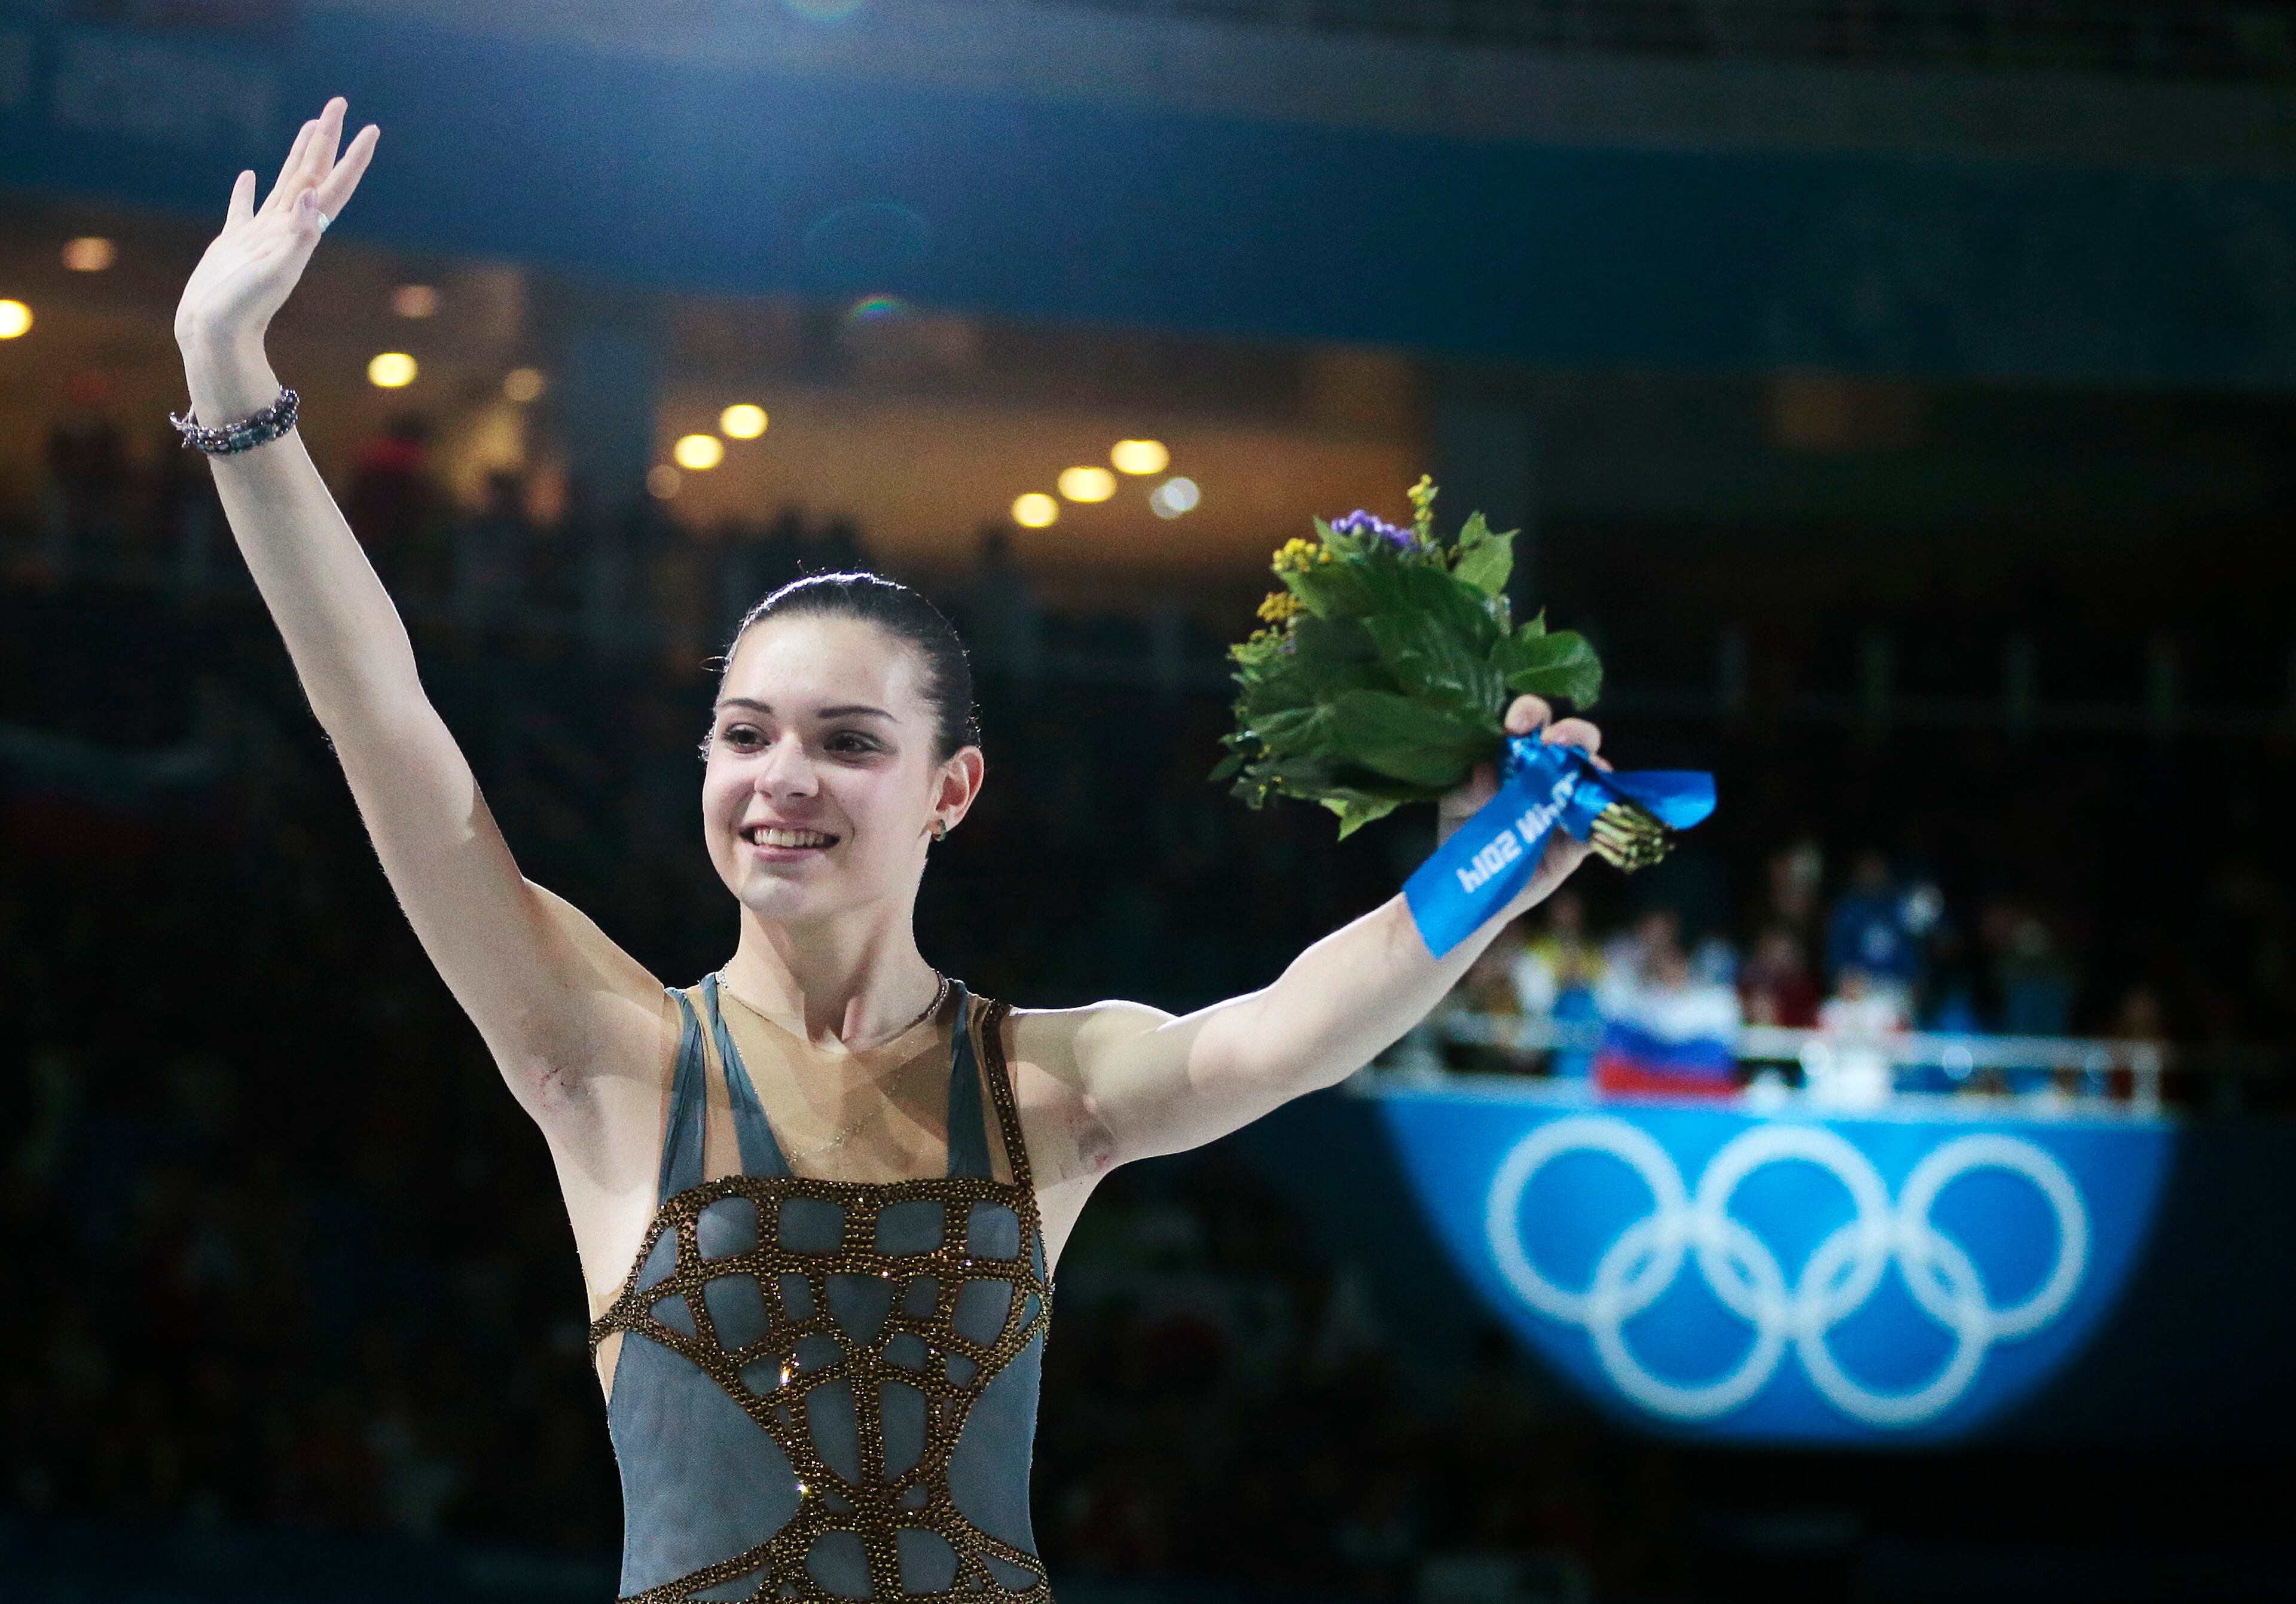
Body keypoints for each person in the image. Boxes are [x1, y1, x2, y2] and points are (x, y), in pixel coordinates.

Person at [168, 99, 1613, 1603]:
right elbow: (384, 725)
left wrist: (1485, 861)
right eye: (745, 733)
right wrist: (229, 374)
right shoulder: (602, 1057)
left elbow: (1294, 1031)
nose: (781, 778)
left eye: (849, 741)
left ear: (951, 787)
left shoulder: (1048, 1091)